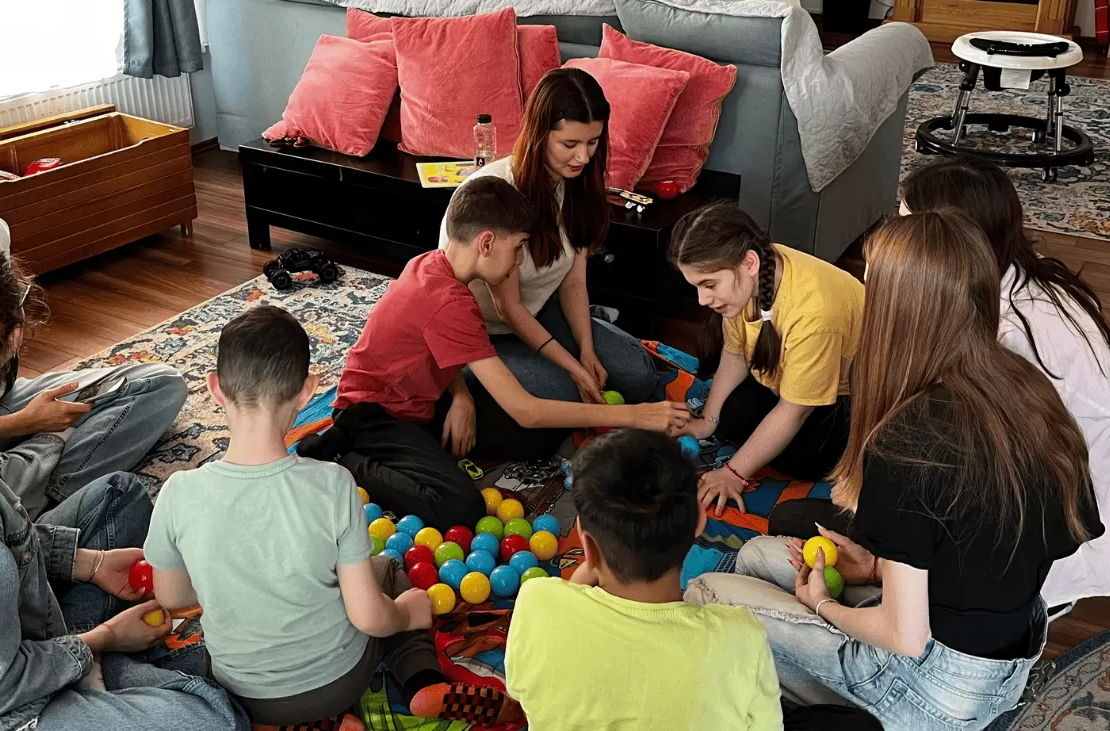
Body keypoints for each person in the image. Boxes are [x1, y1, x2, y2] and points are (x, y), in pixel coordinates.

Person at [701, 210, 1103, 728]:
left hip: (933, 686)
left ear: (894, 308)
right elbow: (1008, 543)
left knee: (708, 593)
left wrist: (823, 607)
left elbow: (904, 637)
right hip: (1007, 657)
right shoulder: (1027, 386)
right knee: (758, 555)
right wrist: (874, 569)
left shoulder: (905, 440)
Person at [0, 235, 247, 731]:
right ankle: (101, 671)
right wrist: (102, 641)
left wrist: (88, 563)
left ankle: (92, 671)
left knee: (120, 495)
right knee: (214, 717)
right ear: (14, 339)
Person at [143, 306, 517, 725]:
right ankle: (420, 681)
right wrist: (410, 612)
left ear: (213, 388)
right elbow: (369, 618)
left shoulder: (179, 492)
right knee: (389, 571)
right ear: (307, 391)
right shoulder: (334, 485)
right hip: (339, 681)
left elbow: (173, 597)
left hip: (242, 693)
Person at [301, 176, 689, 528]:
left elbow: (441, 348)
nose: (521, 260)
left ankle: (411, 447)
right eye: (518, 248)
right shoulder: (447, 301)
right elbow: (526, 408)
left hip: (420, 402)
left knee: (535, 440)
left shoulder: (434, 265)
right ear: (486, 242)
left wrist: (462, 396)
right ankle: (344, 458)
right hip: (372, 414)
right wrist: (636, 415)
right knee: (461, 508)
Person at [504, 428, 881, 731]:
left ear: (585, 540)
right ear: (700, 523)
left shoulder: (536, 601)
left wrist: (594, 555)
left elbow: (522, 688)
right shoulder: (739, 636)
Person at [0, 107, 188, 516]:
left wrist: (27, 416)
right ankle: (15, 498)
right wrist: (29, 425)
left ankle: (19, 492)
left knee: (160, 384)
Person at [901, 157, 1110, 607]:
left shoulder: (1014, 338)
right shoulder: (1018, 279)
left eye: (906, 227)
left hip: (1060, 518)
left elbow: (993, 467)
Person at [437, 69, 660, 461]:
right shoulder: (502, 196)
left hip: (540, 314)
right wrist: (574, 368)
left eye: (593, 142)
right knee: (562, 394)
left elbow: (574, 280)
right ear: (540, 134)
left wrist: (587, 350)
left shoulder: (579, 184)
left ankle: (586, 336)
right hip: (489, 332)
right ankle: (474, 381)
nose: (583, 156)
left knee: (638, 376)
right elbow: (508, 308)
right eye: (569, 143)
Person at [669, 201, 865, 515]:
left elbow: (795, 411)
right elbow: (734, 353)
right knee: (730, 416)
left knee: (806, 459)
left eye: (709, 285)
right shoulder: (750, 275)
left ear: (748, 263)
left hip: (850, 399)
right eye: (695, 286)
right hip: (785, 380)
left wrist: (733, 474)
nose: (702, 300)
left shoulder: (814, 313)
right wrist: (707, 422)